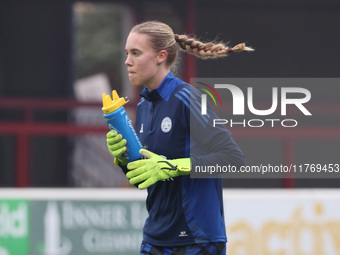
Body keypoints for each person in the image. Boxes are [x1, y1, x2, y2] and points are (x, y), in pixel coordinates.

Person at [106, 21, 252, 255]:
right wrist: (124, 157)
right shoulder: (144, 106)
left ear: (160, 56)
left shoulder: (188, 97)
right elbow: (144, 178)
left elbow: (233, 157)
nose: (127, 61)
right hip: (155, 238)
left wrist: (172, 167)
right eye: (126, 53)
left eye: (136, 53)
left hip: (197, 239)